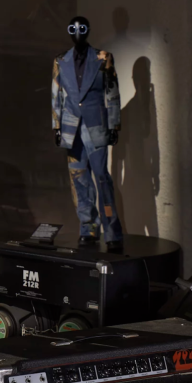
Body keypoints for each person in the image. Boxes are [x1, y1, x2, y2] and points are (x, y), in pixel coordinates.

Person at [52, 16, 123, 251]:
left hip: (96, 125)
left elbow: (112, 91)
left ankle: (112, 231)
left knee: (102, 177)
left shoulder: (103, 58)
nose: (77, 32)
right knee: (79, 179)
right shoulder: (61, 60)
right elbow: (56, 95)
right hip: (71, 128)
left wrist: (114, 124)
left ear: (88, 30)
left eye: (81, 28)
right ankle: (88, 228)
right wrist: (57, 126)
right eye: (73, 28)